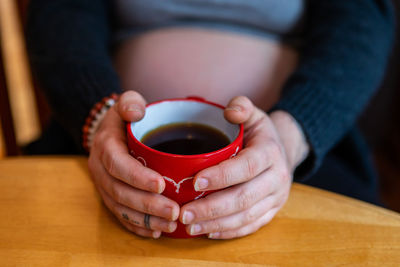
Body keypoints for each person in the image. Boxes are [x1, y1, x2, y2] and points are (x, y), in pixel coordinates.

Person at [26, 0, 395, 239]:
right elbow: (63, 11)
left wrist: (291, 136)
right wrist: (97, 115)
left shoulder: (292, 145)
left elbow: (360, 19)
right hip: (104, 147)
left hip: (295, 153)